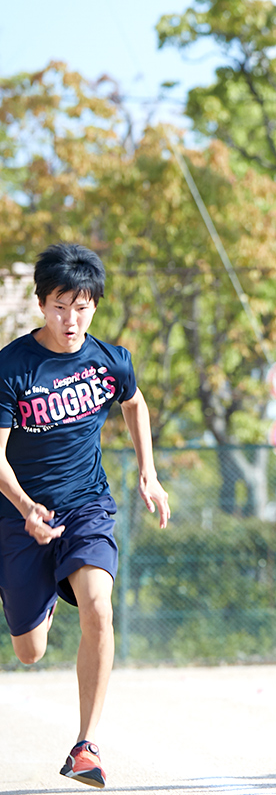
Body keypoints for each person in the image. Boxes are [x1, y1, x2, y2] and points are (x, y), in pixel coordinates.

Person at [0, 243, 171, 789]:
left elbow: (135, 403)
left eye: (80, 306)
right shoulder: (11, 367)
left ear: (94, 304)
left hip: (87, 506)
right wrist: (26, 508)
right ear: (41, 304)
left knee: (99, 605)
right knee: (29, 653)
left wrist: (148, 471)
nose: (69, 319)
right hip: (19, 514)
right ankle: (40, 596)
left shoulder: (110, 360)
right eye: (58, 306)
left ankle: (86, 746)